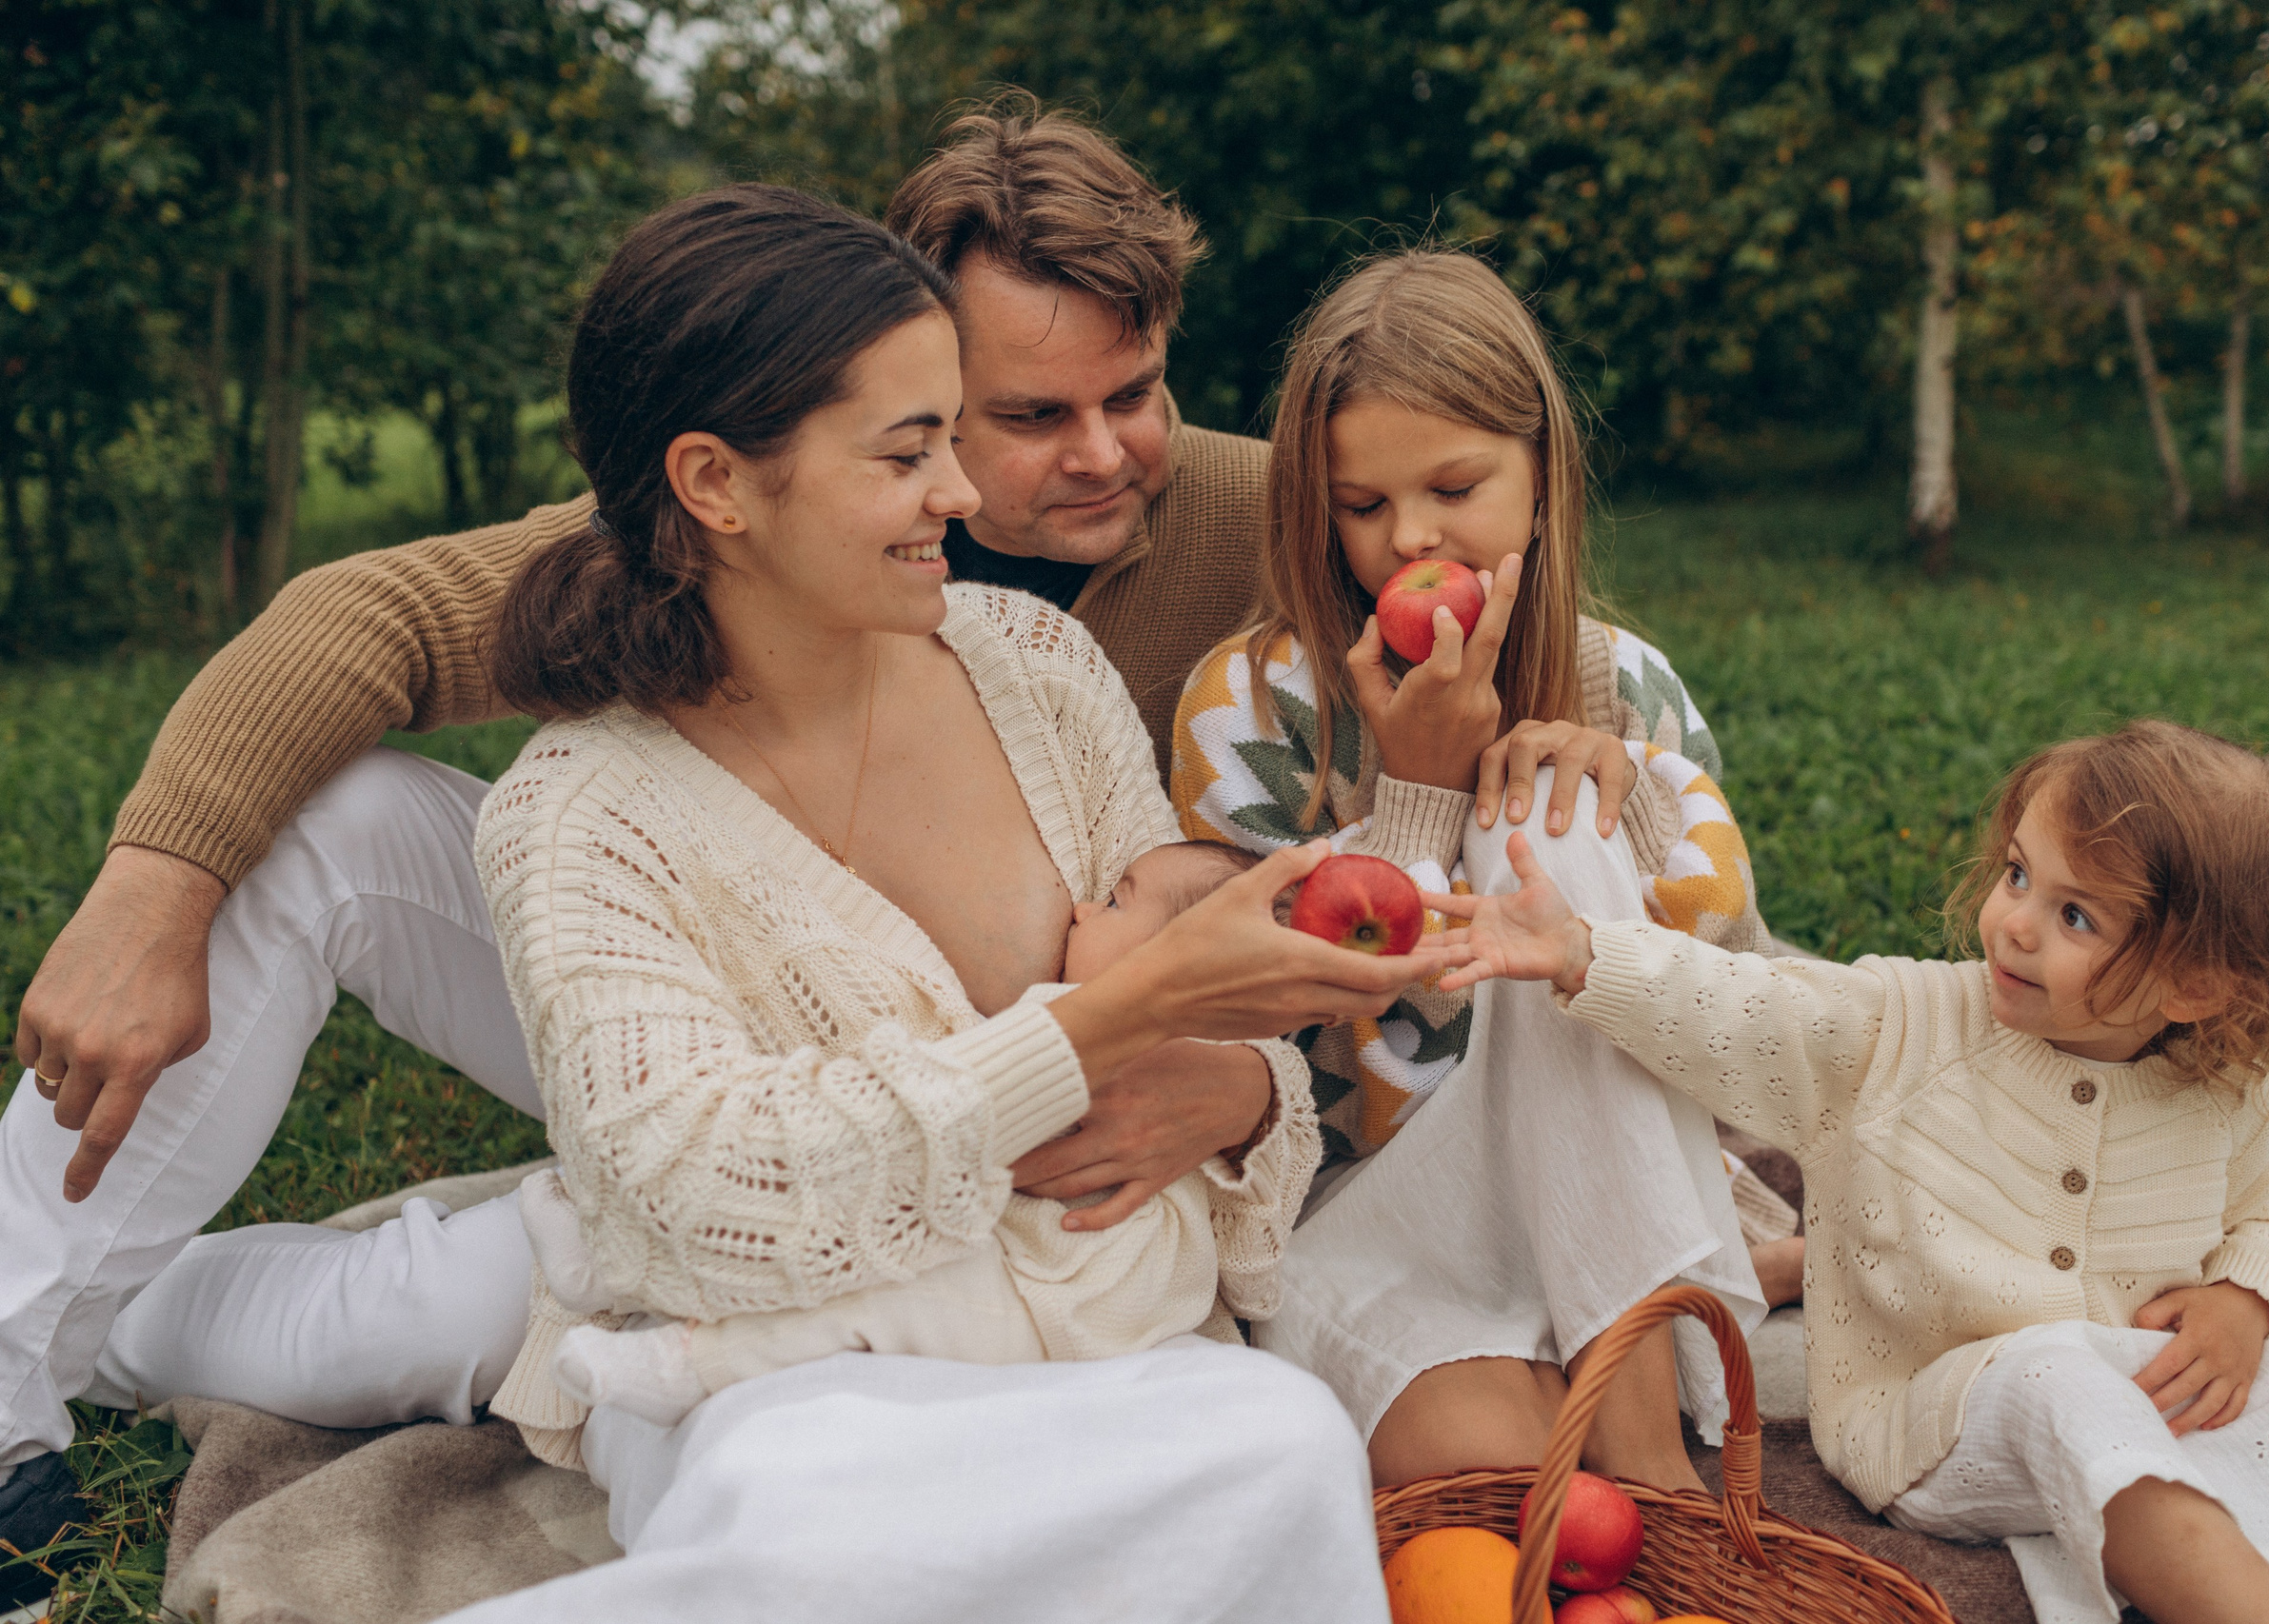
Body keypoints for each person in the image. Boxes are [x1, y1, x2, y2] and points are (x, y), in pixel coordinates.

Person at [10, 99, 1597, 1555]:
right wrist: (153, 888)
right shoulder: (700, 573)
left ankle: (165, 1303)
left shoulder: (1217, 548)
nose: (1100, 454)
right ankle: (20, 1347)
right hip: (754, 1021)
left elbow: (1525, 599)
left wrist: (1245, 1070)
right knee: (453, 1078)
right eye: (1013, 417)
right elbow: (367, 617)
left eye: (1139, 391)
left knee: (475, 1293)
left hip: (1037, 1133)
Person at [1429, 719, 2269, 1624]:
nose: (2014, 921)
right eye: (2016, 874)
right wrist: (1577, 953)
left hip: (2151, 1390)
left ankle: (2266, 1511)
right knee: (2059, 1383)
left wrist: (2242, 1300)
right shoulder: (1904, 1030)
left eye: (2075, 915)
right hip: (1941, 1416)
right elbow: (1740, 1003)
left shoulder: (2233, 1091)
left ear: (2197, 983)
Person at [1170, 248, 1796, 1494]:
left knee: (1555, 812)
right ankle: (1672, 1352)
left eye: (1455, 486)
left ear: (1544, 476)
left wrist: (1639, 799)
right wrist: (1415, 794)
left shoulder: (1625, 682)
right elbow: (1294, 1061)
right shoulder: (1246, 704)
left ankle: (1647, 1442)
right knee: (1498, 1469)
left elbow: (1716, 1005)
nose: (1409, 538)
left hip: (1610, 1175)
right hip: (1382, 1203)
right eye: (1360, 505)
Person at [538, 841, 1311, 1432]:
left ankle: (689, 1364)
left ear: (1172, 955)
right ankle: (618, 1262)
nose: (1081, 909)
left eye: (1115, 902)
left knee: (870, 1304)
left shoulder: (1095, 1031)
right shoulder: (1137, 1033)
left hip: (1066, 1308)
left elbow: (946, 1127)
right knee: (861, 1244)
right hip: (1060, 1273)